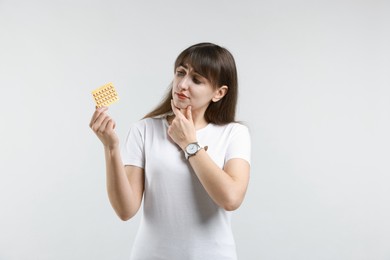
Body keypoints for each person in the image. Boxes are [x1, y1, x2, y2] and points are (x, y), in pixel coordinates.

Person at [89, 42, 251, 260]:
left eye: (197, 79)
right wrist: (111, 148)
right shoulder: (144, 130)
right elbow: (125, 210)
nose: (182, 84)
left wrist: (189, 144)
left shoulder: (234, 133)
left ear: (219, 93)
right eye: (180, 73)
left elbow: (230, 199)